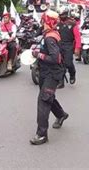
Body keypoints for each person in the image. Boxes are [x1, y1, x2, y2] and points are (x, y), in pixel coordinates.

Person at [30, 10, 69, 145]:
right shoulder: (47, 35)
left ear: (48, 22)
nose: (42, 23)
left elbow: (55, 58)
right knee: (47, 97)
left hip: (52, 73)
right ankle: (61, 115)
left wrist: (38, 55)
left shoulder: (50, 37)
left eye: (44, 21)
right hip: (44, 71)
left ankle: (42, 134)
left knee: (43, 100)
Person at [57, 10, 81, 87]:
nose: (61, 16)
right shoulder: (57, 24)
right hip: (58, 44)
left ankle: (72, 73)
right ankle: (61, 82)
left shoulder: (72, 24)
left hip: (68, 45)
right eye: (60, 14)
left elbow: (77, 37)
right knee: (59, 63)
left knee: (68, 63)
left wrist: (77, 48)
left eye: (63, 14)